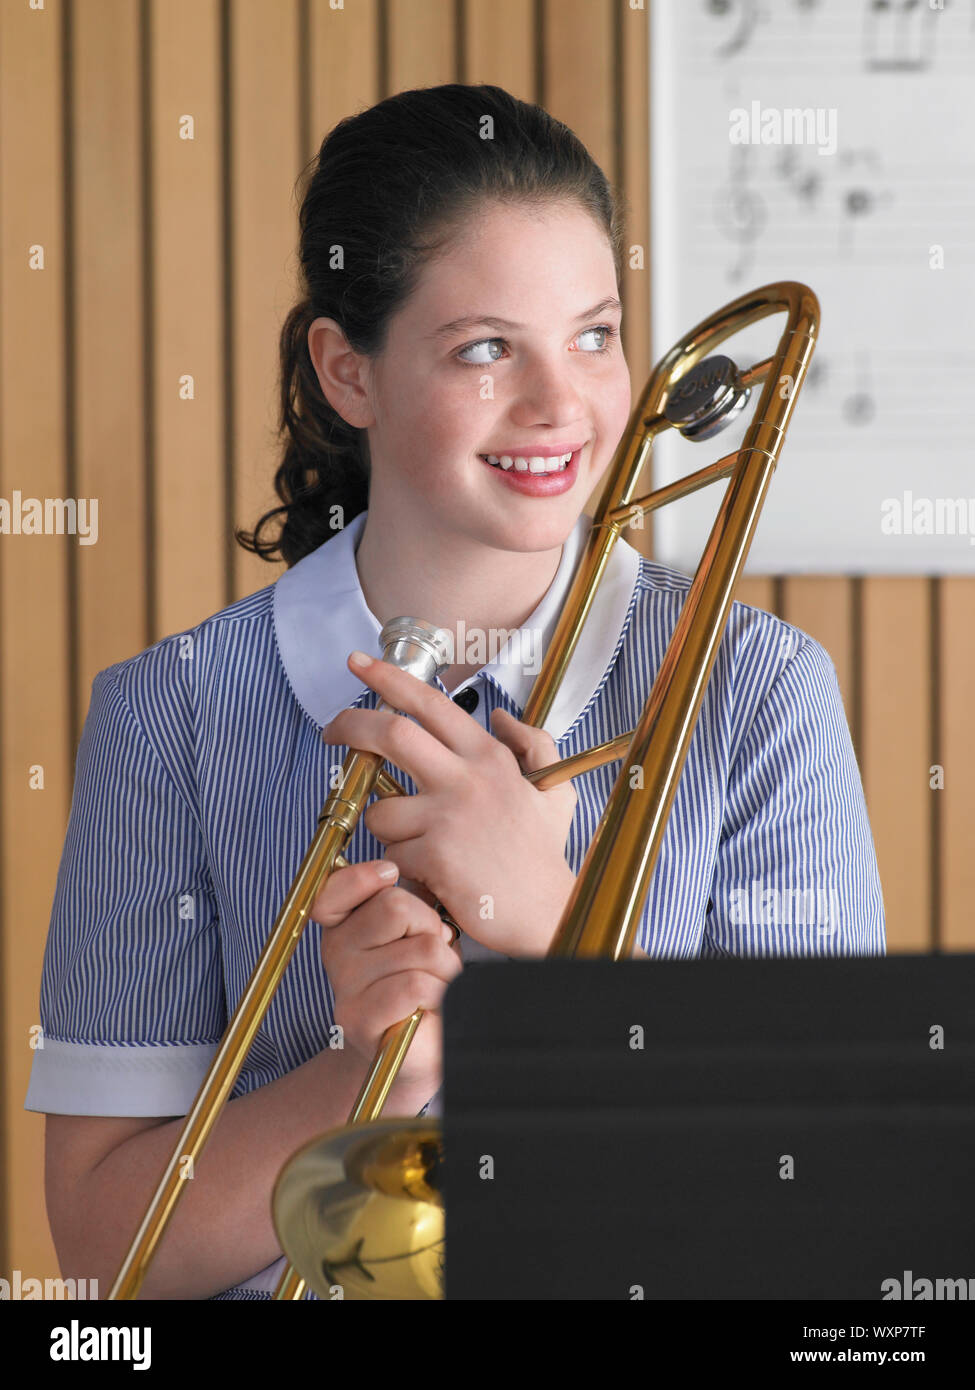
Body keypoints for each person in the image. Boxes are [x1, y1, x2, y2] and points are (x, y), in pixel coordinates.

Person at [25, 83, 885, 1302]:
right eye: (486, 347)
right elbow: (105, 1252)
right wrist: (378, 1069)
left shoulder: (762, 693)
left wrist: (559, 947)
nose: (560, 405)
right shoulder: (167, 714)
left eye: (595, 334)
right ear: (348, 372)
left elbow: (831, 1213)